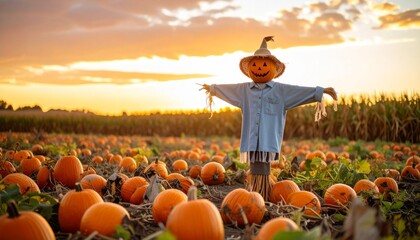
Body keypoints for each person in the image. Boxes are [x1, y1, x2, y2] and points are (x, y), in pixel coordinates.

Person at [200, 36, 337, 200]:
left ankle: (260, 193)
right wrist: (213, 89)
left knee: (262, 164)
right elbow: (229, 90)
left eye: (264, 64)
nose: (259, 68)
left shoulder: (281, 91)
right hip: (252, 137)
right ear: (249, 67)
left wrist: (320, 92)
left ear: (273, 68)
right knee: (255, 164)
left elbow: (299, 91)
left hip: (268, 138)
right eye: (255, 64)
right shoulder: (244, 90)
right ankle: (257, 193)